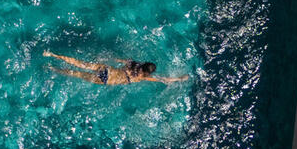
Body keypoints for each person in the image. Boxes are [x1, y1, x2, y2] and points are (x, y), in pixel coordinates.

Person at [43, 51, 189, 85]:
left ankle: (53, 55)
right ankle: (53, 68)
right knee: (76, 74)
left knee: (79, 63)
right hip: (107, 79)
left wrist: (107, 59)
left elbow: (118, 59)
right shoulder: (142, 77)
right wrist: (180, 78)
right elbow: (163, 79)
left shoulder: (134, 64)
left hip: (106, 69)